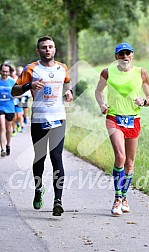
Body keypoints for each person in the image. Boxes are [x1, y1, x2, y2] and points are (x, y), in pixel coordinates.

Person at [11, 36, 73, 216]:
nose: (48, 50)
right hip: (39, 119)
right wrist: (29, 85)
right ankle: (38, 190)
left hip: (59, 118)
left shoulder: (62, 68)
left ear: (54, 50)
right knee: (40, 158)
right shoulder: (31, 69)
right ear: (38, 51)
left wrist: (68, 91)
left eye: (50, 47)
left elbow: (67, 81)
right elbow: (14, 91)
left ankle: (58, 201)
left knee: (57, 157)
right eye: (44, 47)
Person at [95, 42, 149, 216]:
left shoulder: (141, 72)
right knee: (120, 157)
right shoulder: (108, 72)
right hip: (114, 118)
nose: (124, 57)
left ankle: (125, 196)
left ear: (133, 55)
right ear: (116, 57)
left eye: (128, 53)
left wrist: (144, 101)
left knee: (129, 163)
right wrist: (102, 104)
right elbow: (98, 91)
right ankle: (117, 198)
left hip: (133, 120)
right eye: (121, 54)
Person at [0, 64, 15, 157]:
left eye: (6, 71)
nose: (5, 73)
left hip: (9, 107)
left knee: (9, 129)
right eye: (3, 71)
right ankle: (3, 149)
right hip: (0, 108)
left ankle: (8, 145)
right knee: (2, 127)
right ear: (0, 71)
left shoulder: (12, 82)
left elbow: (18, 94)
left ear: (9, 72)